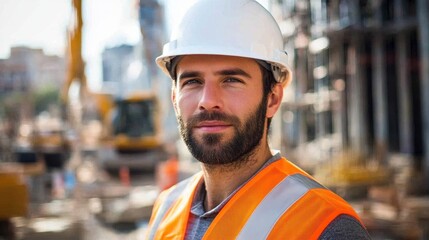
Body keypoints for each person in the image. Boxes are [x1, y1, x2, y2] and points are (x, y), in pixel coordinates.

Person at [146, 0, 371, 239]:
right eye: (192, 81)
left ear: (272, 98)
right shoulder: (167, 207)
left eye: (231, 80)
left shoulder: (326, 226)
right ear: (174, 98)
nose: (208, 100)